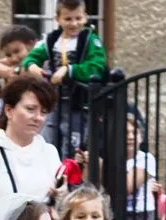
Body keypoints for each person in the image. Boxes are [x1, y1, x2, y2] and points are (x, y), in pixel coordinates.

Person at [0, 76, 61, 218]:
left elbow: (60, 206)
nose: (38, 117)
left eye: (44, 112)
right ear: (9, 110)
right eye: (30, 109)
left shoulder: (49, 152)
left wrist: (60, 197)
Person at [22, 0, 107, 156]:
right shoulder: (52, 40)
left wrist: (69, 70)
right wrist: (32, 65)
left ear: (85, 17)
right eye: (68, 19)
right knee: (47, 139)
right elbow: (32, 57)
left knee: (72, 145)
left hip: (78, 103)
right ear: (58, 19)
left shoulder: (91, 39)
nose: (73, 23)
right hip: (53, 100)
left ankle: (69, 171)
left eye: (78, 18)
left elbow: (96, 66)